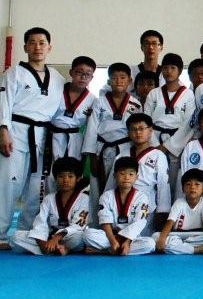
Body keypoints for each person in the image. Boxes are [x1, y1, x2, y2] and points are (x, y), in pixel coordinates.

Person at [0, 27, 67, 249]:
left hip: (44, 137)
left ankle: (26, 232)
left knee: (38, 189)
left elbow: (61, 112)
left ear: (49, 47)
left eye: (42, 43)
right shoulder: (14, 73)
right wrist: (3, 131)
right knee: (8, 186)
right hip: (16, 132)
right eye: (32, 42)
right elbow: (3, 103)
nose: (37, 47)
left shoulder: (58, 78)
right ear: (25, 47)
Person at [9, 157, 89, 255]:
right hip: (50, 237)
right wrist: (43, 244)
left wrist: (57, 237)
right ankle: (55, 249)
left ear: (78, 178)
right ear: (55, 178)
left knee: (79, 237)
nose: (65, 180)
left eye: (70, 176)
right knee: (16, 237)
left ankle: (60, 248)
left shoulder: (84, 199)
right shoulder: (49, 199)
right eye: (61, 176)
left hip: (69, 236)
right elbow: (40, 222)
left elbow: (78, 226)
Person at [83, 63, 141, 196]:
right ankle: (99, 210)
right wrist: (92, 156)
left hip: (125, 148)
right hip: (102, 148)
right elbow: (92, 129)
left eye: (123, 77)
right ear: (109, 81)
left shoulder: (136, 104)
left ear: (130, 81)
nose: (118, 81)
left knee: (122, 184)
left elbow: (138, 130)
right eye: (114, 78)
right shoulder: (99, 102)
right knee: (99, 185)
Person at [106, 113, 171, 228]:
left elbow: (163, 185)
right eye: (133, 129)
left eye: (141, 128)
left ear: (150, 131)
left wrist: (162, 211)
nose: (138, 132)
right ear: (128, 133)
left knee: (144, 237)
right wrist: (106, 204)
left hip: (146, 206)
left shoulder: (158, 155)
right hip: (120, 204)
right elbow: (111, 184)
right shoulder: (121, 155)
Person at [83, 156, 155, 256]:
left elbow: (139, 222)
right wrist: (113, 241)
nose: (126, 177)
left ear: (136, 177)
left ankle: (105, 251)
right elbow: (105, 222)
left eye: (131, 174)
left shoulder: (142, 197)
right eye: (122, 173)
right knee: (88, 234)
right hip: (111, 236)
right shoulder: (106, 196)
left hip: (131, 238)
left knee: (150, 244)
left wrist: (127, 242)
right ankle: (118, 249)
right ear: (115, 176)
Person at [152, 169, 203, 254]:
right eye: (188, 184)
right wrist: (162, 238)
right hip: (177, 235)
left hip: (197, 235)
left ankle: (180, 247)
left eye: (197, 184)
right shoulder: (179, 202)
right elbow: (170, 222)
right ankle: (195, 250)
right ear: (183, 189)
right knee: (155, 236)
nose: (192, 187)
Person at [48, 56, 96, 164]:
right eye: (79, 72)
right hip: (52, 135)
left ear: (92, 77)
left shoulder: (93, 100)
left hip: (75, 139)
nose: (83, 77)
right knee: (49, 169)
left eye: (87, 74)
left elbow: (91, 126)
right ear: (71, 72)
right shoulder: (56, 91)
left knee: (72, 169)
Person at [144, 53, 194, 149]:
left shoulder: (188, 94)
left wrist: (168, 147)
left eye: (173, 68)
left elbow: (188, 123)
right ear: (162, 71)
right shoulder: (153, 93)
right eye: (165, 68)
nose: (169, 71)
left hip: (178, 141)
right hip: (154, 139)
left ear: (180, 71)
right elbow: (146, 120)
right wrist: (156, 145)